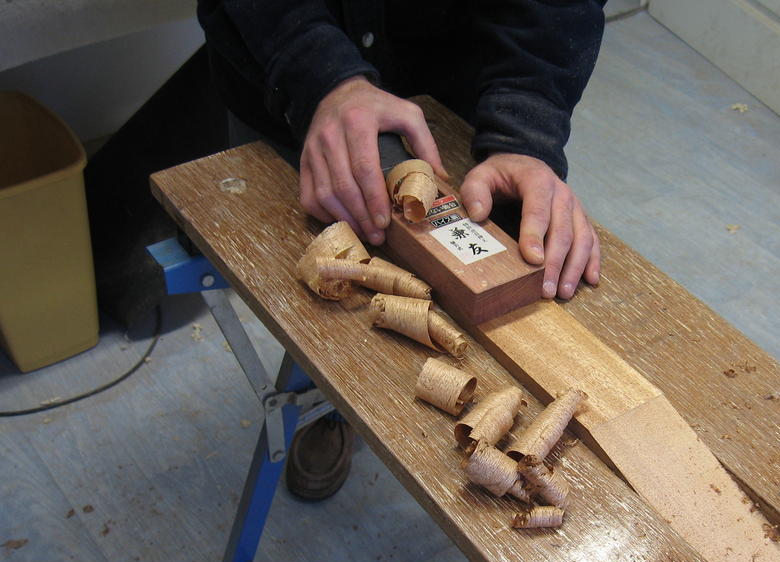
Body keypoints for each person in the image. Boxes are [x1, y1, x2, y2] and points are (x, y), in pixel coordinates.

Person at [198, 0, 607, 499]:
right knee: (328, 303)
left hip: (447, 86)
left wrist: (525, 130)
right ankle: (326, 399)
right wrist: (319, 76)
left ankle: (348, 396)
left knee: (472, 270)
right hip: (287, 73)